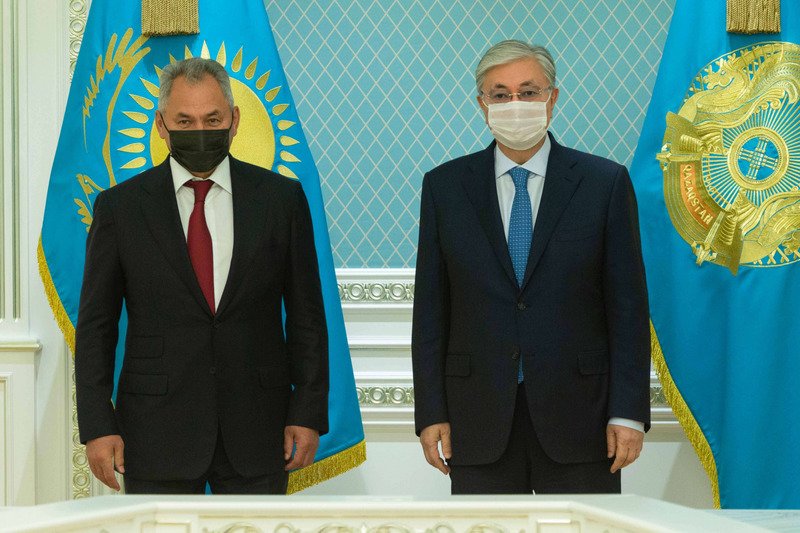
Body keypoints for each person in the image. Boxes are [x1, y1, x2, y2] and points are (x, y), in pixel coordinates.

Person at [75, 57, 329, 495]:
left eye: (212, 119)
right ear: (160, 125)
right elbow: (96, 326)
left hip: (259, 428)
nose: (199, 131)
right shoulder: (120, 208)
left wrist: (306, 413)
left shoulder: (281, 200)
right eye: (184, 121)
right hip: (155, 431)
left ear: (234, 121)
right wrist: (98, 425)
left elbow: (307, 317)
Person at [412, 40, 650, 494]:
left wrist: (628, 412)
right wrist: (431, 411)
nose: (515, 104)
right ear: (482, 104)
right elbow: (430, 312)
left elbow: (628, 309)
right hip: (476, 418)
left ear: (552, 98)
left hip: (583, 417)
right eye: (500, 95)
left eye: (528, 92)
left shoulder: (604, 183)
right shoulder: (445, 187)